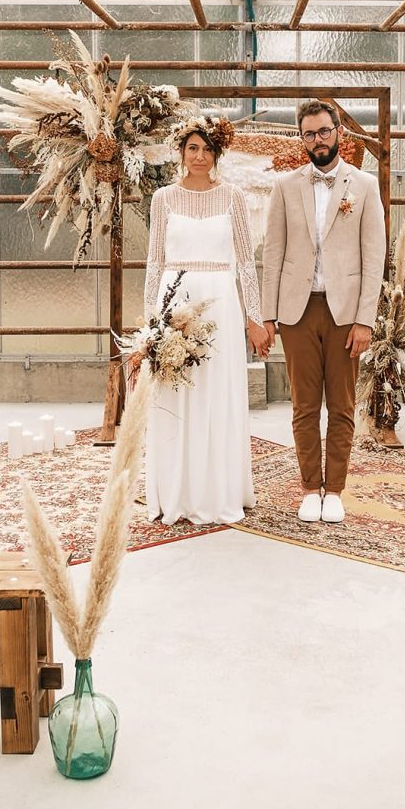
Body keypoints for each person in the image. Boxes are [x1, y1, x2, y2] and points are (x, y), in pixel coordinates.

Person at [261, 100, 386, 524]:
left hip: (346, 313)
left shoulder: (365, 186)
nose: (318, 140)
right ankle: (308, 487)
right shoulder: (284, 186)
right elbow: (273, 253)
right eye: (309, 133)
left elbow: (375, 256)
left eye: (324, 131)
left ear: (339, 133)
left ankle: (334, 489)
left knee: (343, 405)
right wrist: (267, 315)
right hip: (297, 312)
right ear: (301, 138)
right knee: (304, 406)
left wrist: (366, 319)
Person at [142, 115, 269, 525]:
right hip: (174, 301)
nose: (200, 156)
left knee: (217, 394)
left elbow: (247, 264)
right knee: (176, 395)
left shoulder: (232, 197)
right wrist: (150, 325)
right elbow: (154, 261)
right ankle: (176, 490)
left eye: (208, 149)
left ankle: (219, 489)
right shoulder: (162, 198)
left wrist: (255, 318)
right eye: (193, 148)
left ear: (217, 154)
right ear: (182, 151)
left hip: (220, 304)